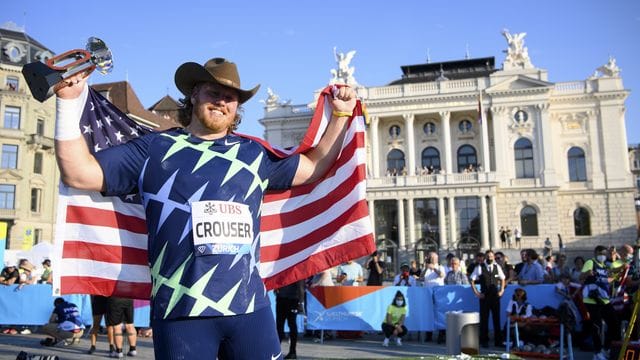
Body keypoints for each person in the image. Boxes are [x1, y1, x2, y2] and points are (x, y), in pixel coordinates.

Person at [54, 57, 356, 358]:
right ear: (194, 94)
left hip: (250, 309)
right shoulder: (154, 149)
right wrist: (68, 101)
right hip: (181, 311)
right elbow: (78, 172)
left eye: (231, 97)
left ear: (237, 107)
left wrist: (341, 114)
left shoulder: (254, 154)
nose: (222, 102)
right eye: (214, 92)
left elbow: (315, 166)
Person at [580, 245, 621, 360]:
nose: (603, 256)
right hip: (591, 299)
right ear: (596, 253)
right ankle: (597, 352)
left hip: (604, 299)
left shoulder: (605, 266)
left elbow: (610, 276)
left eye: (604, 253)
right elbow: (580, 277)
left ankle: (607, 348)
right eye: (601, 253)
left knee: (614, 323)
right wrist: (587, 273)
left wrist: (614, 275)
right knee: (597, 325)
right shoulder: (590, 262)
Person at [470, 249, 506, 348]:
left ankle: (498, 341)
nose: (490, 258)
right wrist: (477, 293)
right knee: (484, 319)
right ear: (485, 257)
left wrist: (502, 290)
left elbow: (503, 278)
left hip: (495, 297)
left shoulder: (497, 267)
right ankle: (484, 340)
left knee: (496, 319)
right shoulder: (479, 267)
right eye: (488, 256)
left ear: (493, 257)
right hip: (484, 297)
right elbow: (471, 279)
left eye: (491, 256)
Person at [275, 280, 305, 359]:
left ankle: (292, 352)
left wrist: (301, 303)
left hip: (292, 300)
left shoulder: (297, 272)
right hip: (281, 298)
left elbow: (301, 288)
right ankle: (276, 351)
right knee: (279, 325)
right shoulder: (283, 269)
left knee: (291, 325)